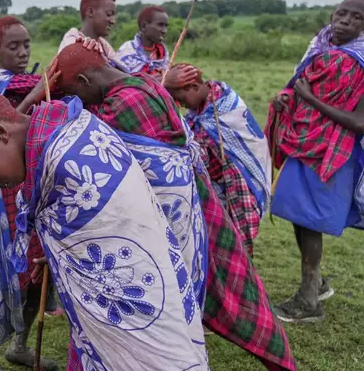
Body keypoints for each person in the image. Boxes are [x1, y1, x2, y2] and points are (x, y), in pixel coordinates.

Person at [54, 43, 297, 371]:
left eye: (74, 93)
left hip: (171, 218)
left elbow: (97, 154)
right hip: (196, 201)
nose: (79, 103)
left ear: (83, 80)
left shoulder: (122, 105)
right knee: (235, 290)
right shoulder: (145, 84)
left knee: (201, 296)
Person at [0, 92, 209, 371]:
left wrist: (67, 254)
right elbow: (95, 236)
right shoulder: (73, 126)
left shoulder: (65, 164)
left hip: (139, 292)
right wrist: (61, 256)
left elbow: (105, 228)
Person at [265, 0, 364, 323]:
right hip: (303, 142)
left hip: (331, 152)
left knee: (310, 219)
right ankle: (317, 285)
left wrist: (309, 99)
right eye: (341, 14)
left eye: (356, 18)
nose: (345, 21)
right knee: (297, 214)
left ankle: (308, 301)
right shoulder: (320, 48)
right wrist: (286, 99)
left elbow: (359, 122)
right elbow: (295, 87)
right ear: (331, 14)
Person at [0, 16, 60, 371]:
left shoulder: (36, 81)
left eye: (26, 45)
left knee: (37, 270)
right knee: (8, 277)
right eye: (13, 47)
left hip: (33, 190)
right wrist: (34, 95)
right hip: (0, 197)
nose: (22, 53)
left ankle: (19, 346)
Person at [164, 64, 272, 256]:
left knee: (232, 243)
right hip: (215, 186)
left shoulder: (225, 107)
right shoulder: (200, 110)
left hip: (237, 185)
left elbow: (240, 149)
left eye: (180, 99)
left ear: (194, 88)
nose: (182, 106)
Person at [57, 0, 127, 71]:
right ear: (90, 12)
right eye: (108, 14)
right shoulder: (72, 40)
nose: (113, 21)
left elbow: (122, 70)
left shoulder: (103, 45)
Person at [117, 6, 171, 79]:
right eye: (160, 25)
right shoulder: (127, 51)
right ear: (143, 26)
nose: (164, 31)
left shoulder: (162, 53)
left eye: (166, 26)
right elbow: (124, 82)